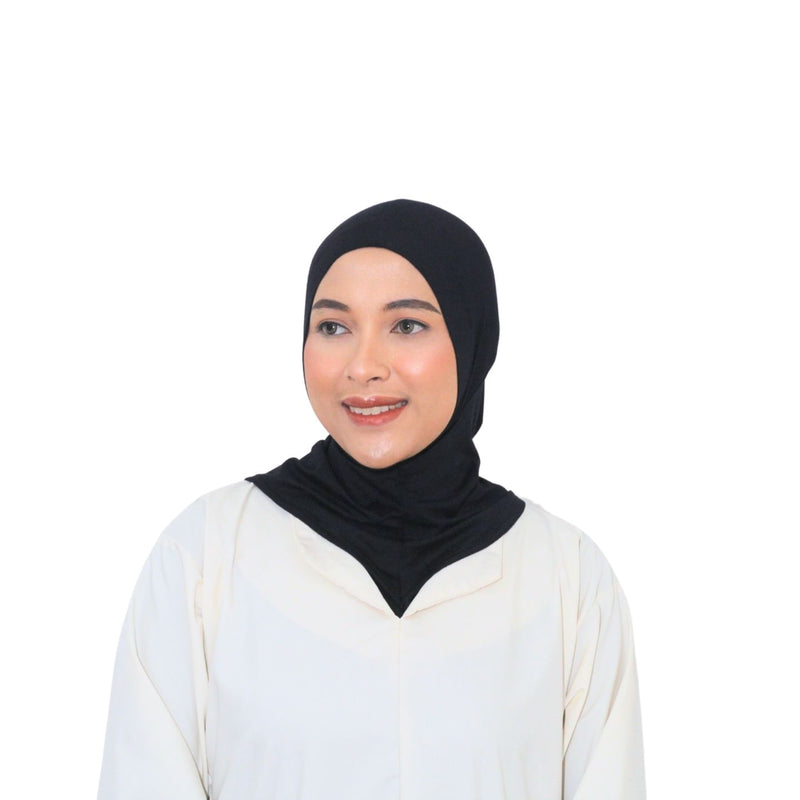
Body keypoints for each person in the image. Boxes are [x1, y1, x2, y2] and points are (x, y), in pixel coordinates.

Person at [97, 199, 646, 799]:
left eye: (406, 325)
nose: (363, 367)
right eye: (333, 327)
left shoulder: (567, 578)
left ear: (473, 339)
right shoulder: (205, 556)